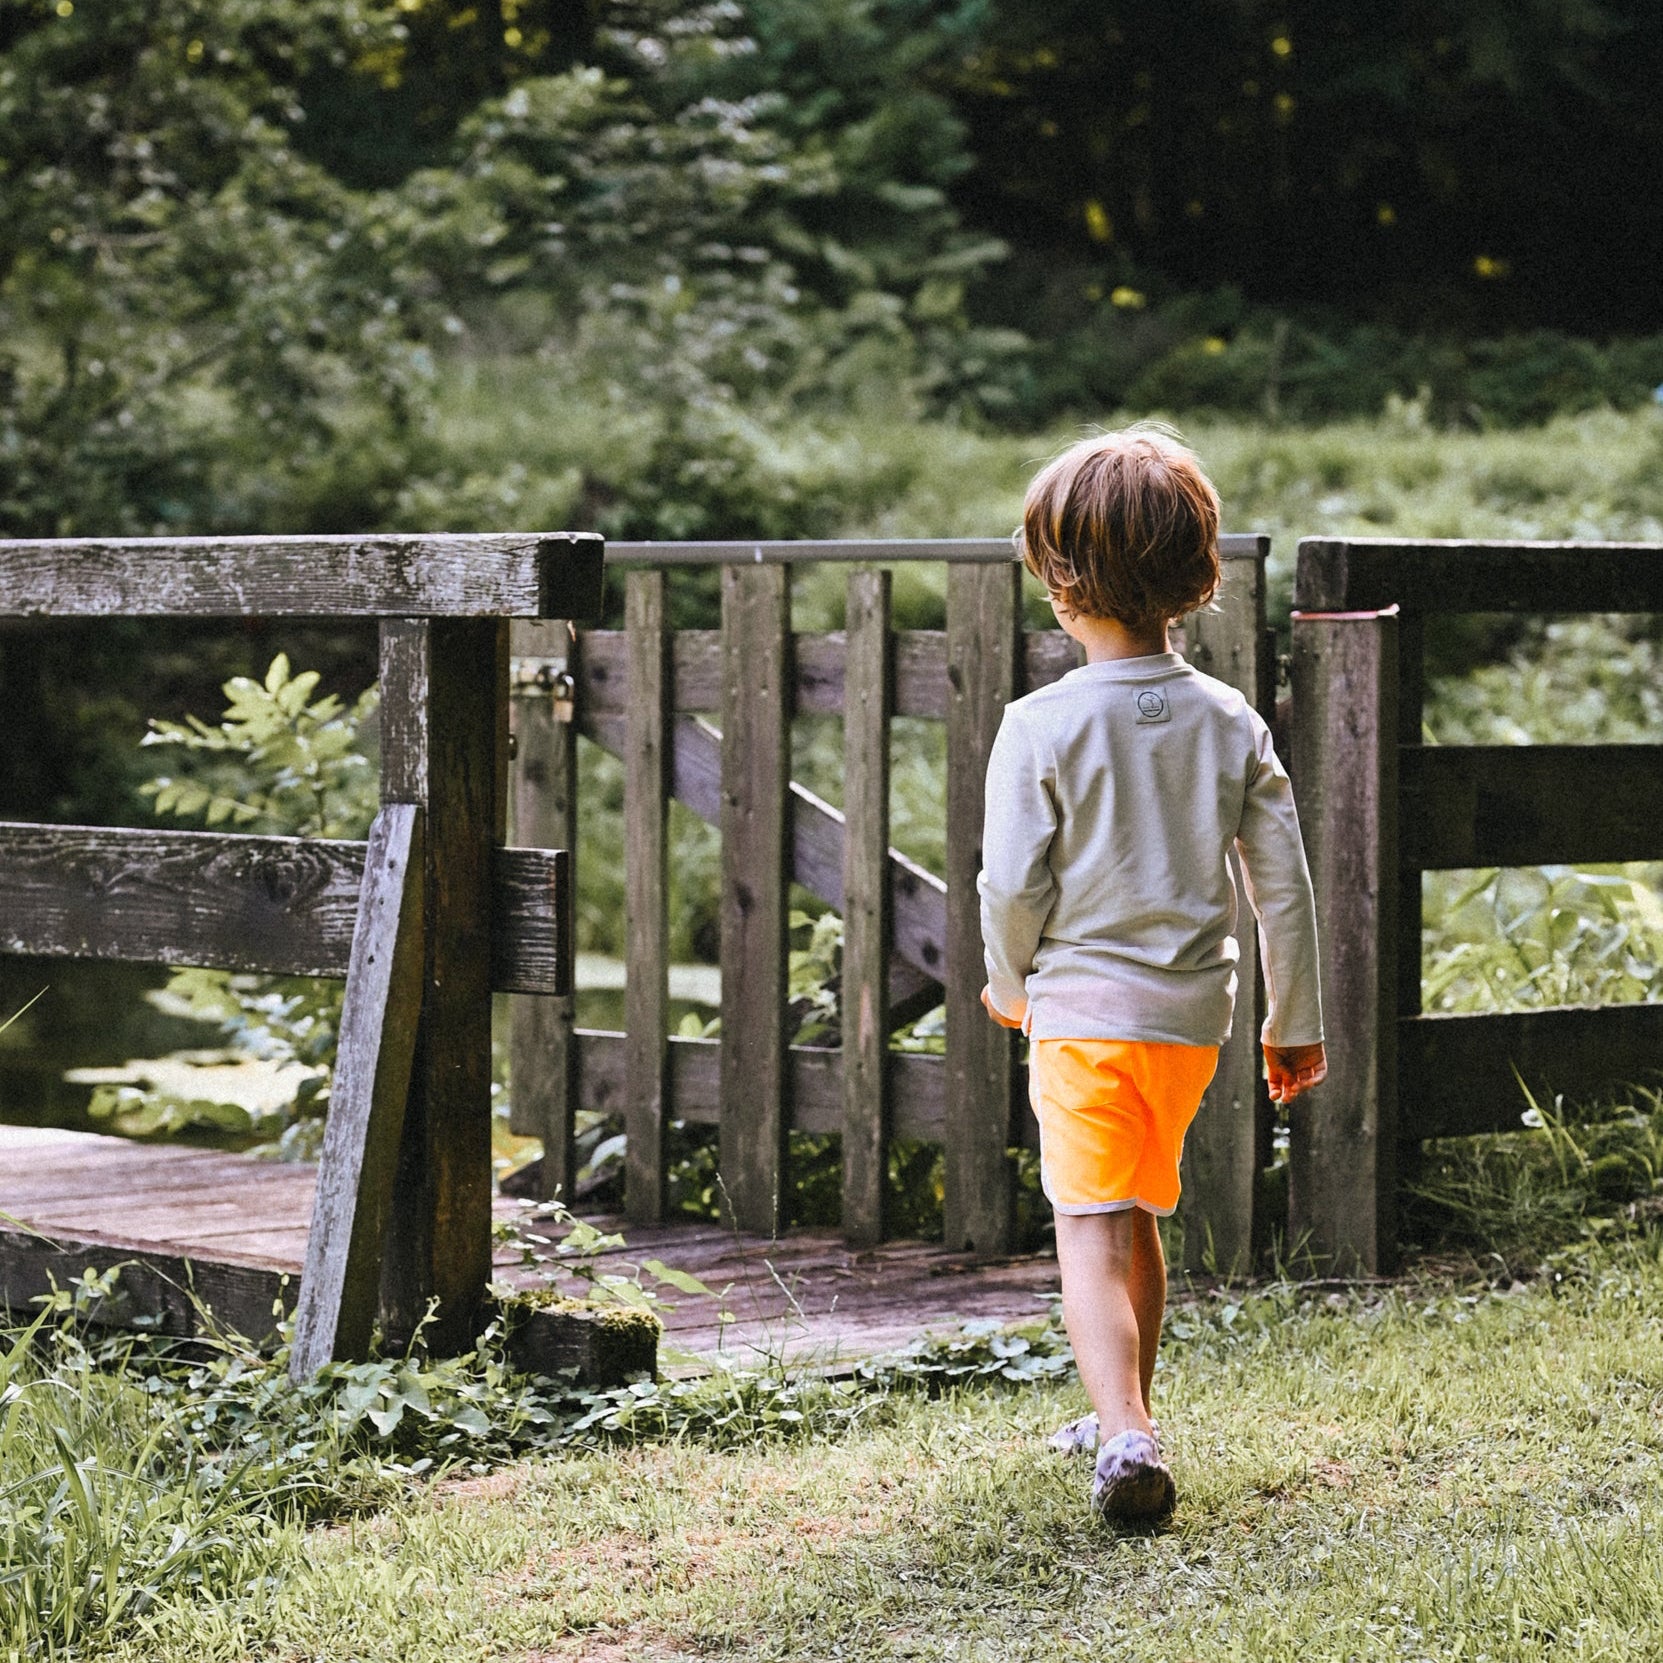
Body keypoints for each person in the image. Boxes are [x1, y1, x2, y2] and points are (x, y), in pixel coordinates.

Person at [978, 425, 1327, 1523]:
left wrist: (1006, 980)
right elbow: (1285, 888)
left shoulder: (1038, 725)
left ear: (1060, 580)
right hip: (1189, 1021)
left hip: (1081, 1010)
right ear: (1195, 576)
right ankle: (1121, 1407)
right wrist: (1293, 1022)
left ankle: (1125, 1435)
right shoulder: (1230, 722)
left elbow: (1008, 885)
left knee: (1086, 1221)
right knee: (1134, 1213)